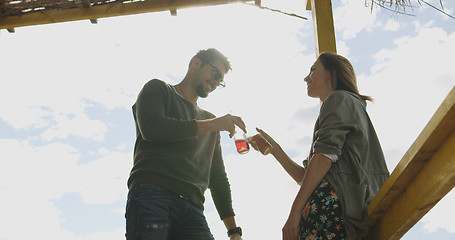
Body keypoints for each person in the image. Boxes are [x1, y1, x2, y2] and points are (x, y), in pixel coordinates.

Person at [250, 52, 389, 240]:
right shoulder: (343, 105)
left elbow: (324, 157)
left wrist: (295, 212)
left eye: (313, 70)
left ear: (331, 72)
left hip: (332, 216)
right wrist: (275, 149)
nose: (306, 77)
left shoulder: (338, 99)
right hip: (337, 217)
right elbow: (305, 176)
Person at [125, 48, 245, 240]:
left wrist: (233, 232)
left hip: (193, 211)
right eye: (215, 73)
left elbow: (218, 177)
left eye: (220, 80)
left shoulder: (209, 121)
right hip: (152, 196)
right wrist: (214, 124)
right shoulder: (158, 89)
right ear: (195, 63)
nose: (215, 82)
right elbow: (152, 128)